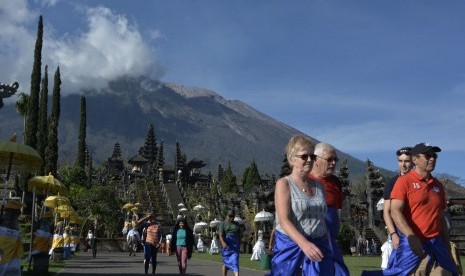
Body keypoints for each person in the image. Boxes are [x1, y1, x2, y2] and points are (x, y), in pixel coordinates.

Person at [364, 143, 458, 275]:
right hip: (413, 242)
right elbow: (394, 211)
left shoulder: (438, 186)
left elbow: (441, 217)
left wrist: (447, 246)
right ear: (415, 159)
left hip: (436, 242)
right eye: (428, 155)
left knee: (450, 272)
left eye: (434, 155)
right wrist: (407, 236)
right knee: (400, 273)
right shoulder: (403, 182)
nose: (432, 158)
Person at [271, 134, 345, 275]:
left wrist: (326, 243)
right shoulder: (284, 184)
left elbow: (321, 219)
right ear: (292, 159)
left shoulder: (319, 187)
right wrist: (304, 244)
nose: (309, 160)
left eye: (312, 156)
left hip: (319, 248)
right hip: (291, 249)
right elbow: (284, 220)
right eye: (304, 156)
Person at [309, 142, 350, 275]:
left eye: (335, 160)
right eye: (329, 160)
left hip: (331, 239)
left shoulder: (336, 182)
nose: (333, 163)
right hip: (313, 239)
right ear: (316, 159)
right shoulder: (304, 180)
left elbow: (336, 209)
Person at [382, 146, 412, 264]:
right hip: (399, 233)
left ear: (413, 161)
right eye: (400, 161)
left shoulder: (418, 182)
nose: (403, 165)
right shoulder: (392, 182)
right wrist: (393, 234)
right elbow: (386, 212)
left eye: (406, 161)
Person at [219, 209, 241, 276]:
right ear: (226, 216)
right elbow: (220, 235)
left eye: (233, 216)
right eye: (230, 216)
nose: (231, 218)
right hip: (226, 246)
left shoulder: (237, 224)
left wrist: (239, 244)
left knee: (235, 263)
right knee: (225, 264)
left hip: (235, 247)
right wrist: (223, 242)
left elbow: (239, 235)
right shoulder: (223, 224)